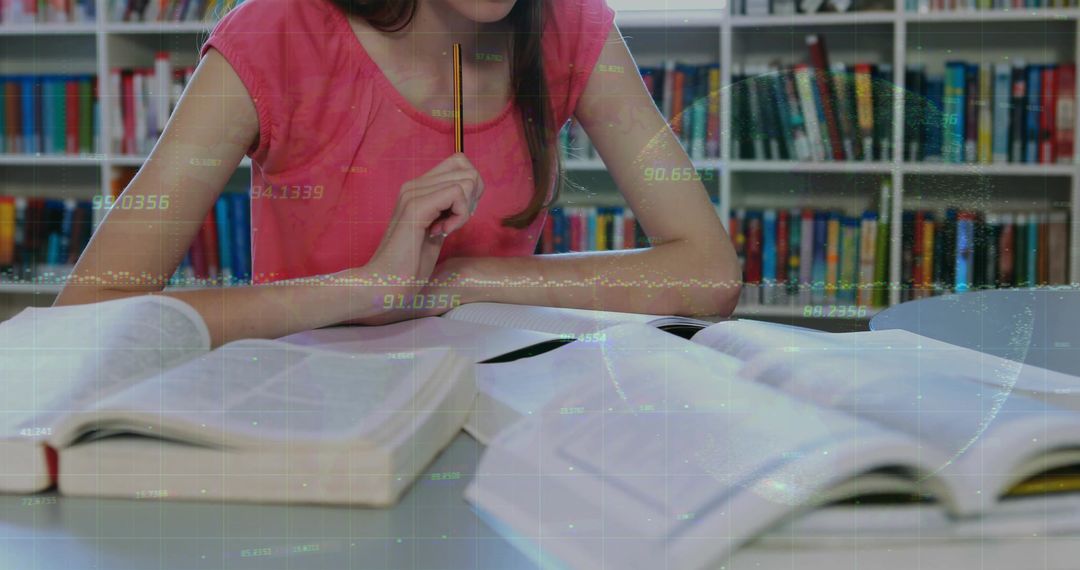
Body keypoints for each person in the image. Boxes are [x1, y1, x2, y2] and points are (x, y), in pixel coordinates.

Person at [57, 0, 740, 347]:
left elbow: (709, 275)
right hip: (311, 421)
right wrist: (368, 289)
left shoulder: (569, 24)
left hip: (498, 415)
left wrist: (459, 283)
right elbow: (89, 315)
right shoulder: (276, 33)